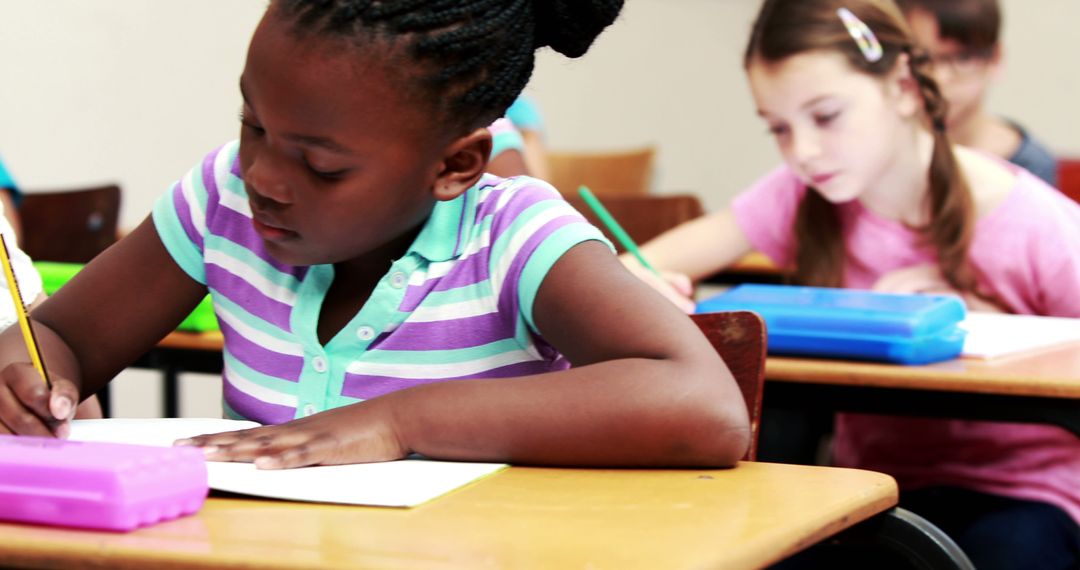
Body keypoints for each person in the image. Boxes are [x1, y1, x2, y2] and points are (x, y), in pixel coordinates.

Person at [0, 0, 751, 471]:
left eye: (322, 167)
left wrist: (400, 421)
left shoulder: (511, 236)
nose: (262, 175)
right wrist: (29, 377)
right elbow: (57, 333)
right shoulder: (222, 201)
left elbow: (702, 406)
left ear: (454, 165)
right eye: (252, 125)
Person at [626, 0, 1080, 567]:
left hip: (1025, 496)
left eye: (826, 116)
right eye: (779, 129)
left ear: (905, 88)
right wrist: (648, 289)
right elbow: (637, 267)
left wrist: (992, 324)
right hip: (872, 491)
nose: (804, 152)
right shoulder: (800, 192)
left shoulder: (1029, 219)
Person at [897, 0, 1058, 187]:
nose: (939, 78)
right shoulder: (883, 149)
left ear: (995, 58)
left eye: (963, 58)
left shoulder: (1029, 164)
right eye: (921, 59)